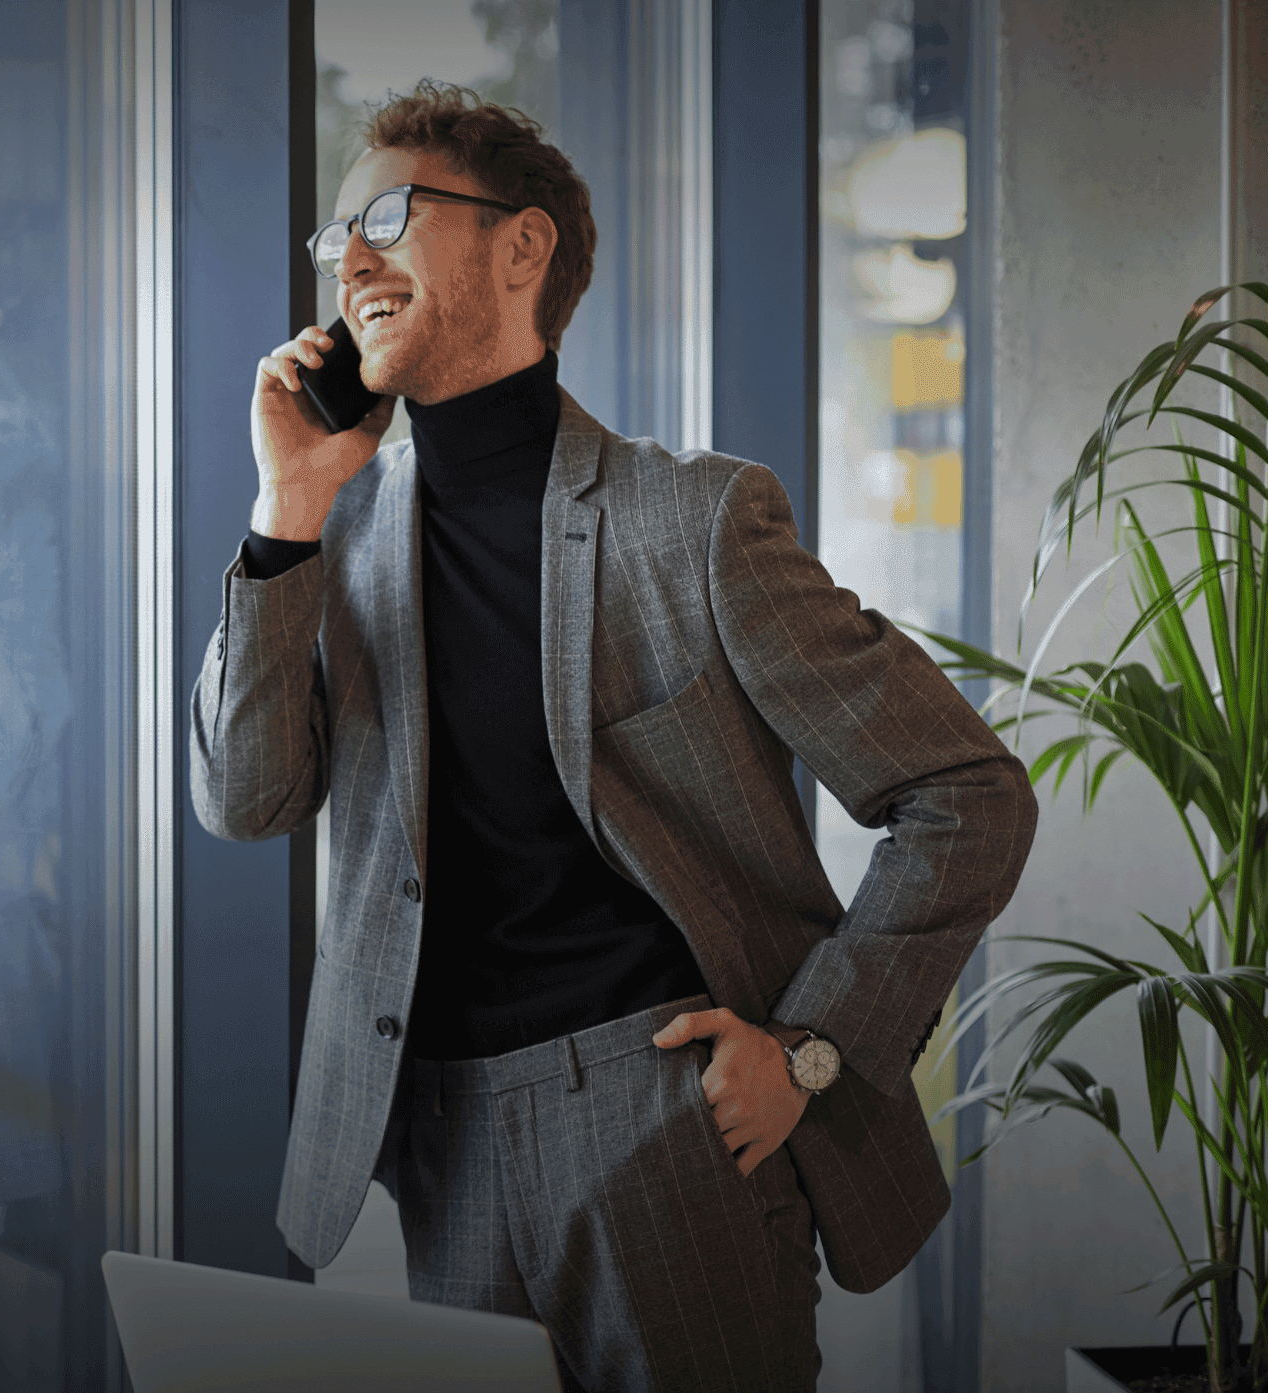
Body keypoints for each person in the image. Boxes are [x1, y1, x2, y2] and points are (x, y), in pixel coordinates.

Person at [188, 81, 1037, 1392]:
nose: (350, 259)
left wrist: (809, 1049)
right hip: (433, 1144)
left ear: (520, 248)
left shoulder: (691, 525)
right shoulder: (328, 531)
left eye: (393, 217)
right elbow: (243, 800)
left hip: (665, 1131)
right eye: (335, 238)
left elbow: (966, 792)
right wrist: (282, 510)